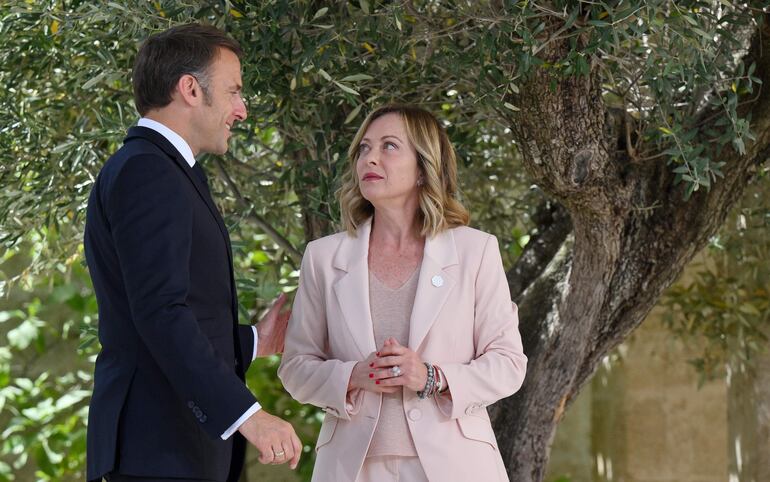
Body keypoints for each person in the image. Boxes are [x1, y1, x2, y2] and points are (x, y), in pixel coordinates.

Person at [84, 24, 301, 482]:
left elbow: (160, 318)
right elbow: (161, 313)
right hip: (158, 455)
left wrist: (257, 341)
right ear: (189, 89)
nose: (241, 110)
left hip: (171, 453)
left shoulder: (160, 169)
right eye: (233, 91)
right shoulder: (149, 171)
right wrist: (249, 416)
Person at [278, 104, 528, 481]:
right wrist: (353, 377)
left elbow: (509, 364)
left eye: (389, 146)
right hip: (352, 468)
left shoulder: (475, 251)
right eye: (364, 148)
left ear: (424, 168)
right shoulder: (323, 257)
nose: (371, 158)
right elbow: (295, 368)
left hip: (454, 466)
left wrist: (432, 376)